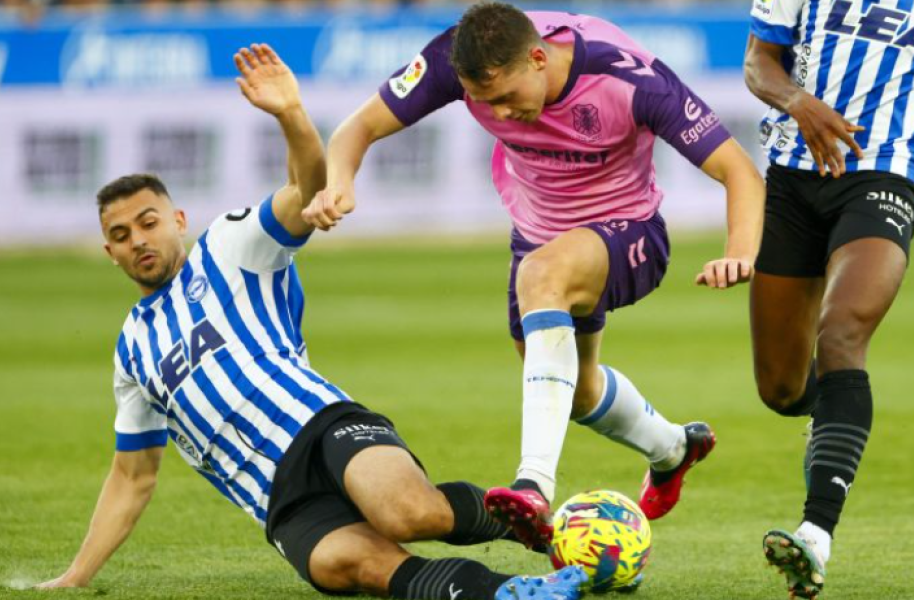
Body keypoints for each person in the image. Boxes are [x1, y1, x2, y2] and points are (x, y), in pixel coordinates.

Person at [35, 44, 586, 600]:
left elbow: (304, 194)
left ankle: (548, 529)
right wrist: (75, 577)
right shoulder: (133, 349)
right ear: (111, 252)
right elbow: (133, 477)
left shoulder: (229, 246)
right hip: (279, 501)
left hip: (320, 428)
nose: (139, 241)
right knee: (359, 568)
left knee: (408, 514)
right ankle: (516, 592)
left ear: (177, 220)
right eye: (123, 235)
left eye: (148, 223)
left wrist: (290, 116)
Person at [301, 2, 766, 549]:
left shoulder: (629, 79)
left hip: (629, 231)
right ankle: (673, 448)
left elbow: (739, 170)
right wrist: (340, 185)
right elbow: (355, 130)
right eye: (481, 101)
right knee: (576, 391)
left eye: (505, 97)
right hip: (538, 236)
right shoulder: (457, 59)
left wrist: (738, 251)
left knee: (542, 277)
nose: (496, 113)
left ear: (540, 58)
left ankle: (534, 486)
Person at [742, 0, 914, 596]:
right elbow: (758, 63)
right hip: (795, 177)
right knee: (781, 388)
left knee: (843, 329)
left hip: (888, 172)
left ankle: (815, 534)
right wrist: (798, 103)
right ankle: (832, 416)